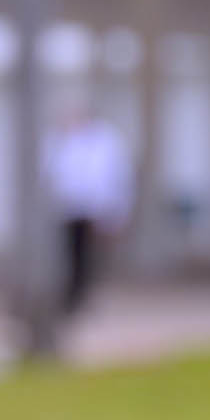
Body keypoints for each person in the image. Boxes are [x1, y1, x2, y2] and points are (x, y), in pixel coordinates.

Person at [47, 104, 133, 316]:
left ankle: (81, 296)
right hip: (67, 209)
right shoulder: (58, 140)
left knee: (87, 256)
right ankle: (71, 295)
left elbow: (115, 175)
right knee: (70, 254)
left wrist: (115, 209)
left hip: (94, 209)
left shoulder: (104, 141)